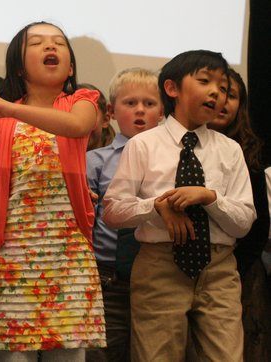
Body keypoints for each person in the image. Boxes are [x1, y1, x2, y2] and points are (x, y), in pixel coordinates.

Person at [103, 50, 256, 361]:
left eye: (224, 88)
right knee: (156, 355)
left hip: (219, 268)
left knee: (226, 355)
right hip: (160, 265)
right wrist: (157, 206)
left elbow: (243, 222)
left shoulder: (230, 150)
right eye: (205, 81)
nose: (217, 92)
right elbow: (113, 211)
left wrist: (210, 197)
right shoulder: (143, 144)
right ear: (172, 89)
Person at [0, 21, 106, 361]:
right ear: (19, 63)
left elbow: (76, 127)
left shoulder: (83, 101)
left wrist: (9, 108)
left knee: (70, 354)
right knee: (13, 355)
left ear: (71, 65)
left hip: (70, 255)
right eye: (38, 43)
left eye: (59, 43)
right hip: (13, 255)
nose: (51, 47)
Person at [86, 68, 163, 362]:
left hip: (159, 277)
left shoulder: (172, 159)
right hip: (108, 279)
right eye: (130, 103)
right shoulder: (96, 161)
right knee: (102, 353)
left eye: (149, 103)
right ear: (111, 111)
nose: (140, 111)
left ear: (163, 111)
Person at [207, 68, 271, 360]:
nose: (223, 101)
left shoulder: (248, 152)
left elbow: (259, 225)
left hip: (239, 269)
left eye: (232, 96)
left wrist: (234, 269)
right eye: (217, 92)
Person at [78, 83, 115, 151]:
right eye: (69, 115)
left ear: (105, 120)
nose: (78, 124)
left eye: (88, 115)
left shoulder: (120, 158)